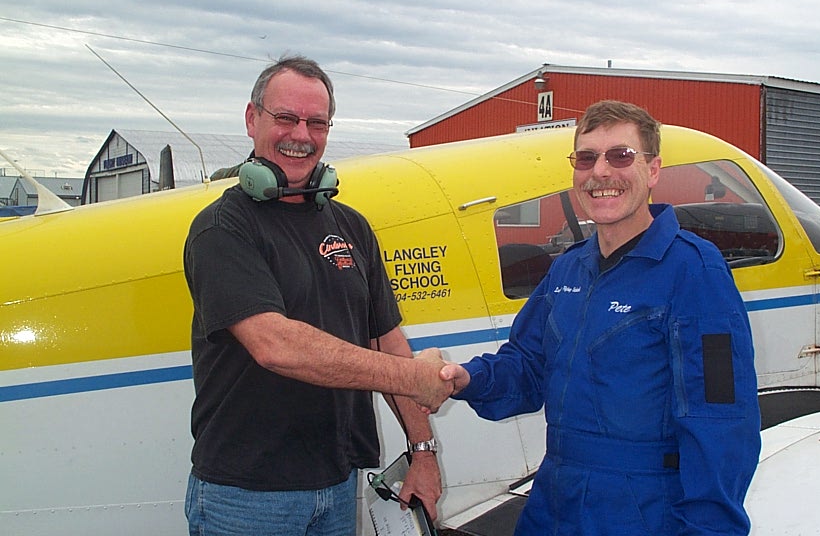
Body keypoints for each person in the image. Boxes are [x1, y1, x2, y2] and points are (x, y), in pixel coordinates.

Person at [439, 100, 761, 535]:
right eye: (587, 158)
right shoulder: (568, 268)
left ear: (653, 170)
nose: (601, 172)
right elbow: (528, 367)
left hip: (643, 511)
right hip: (554, 501)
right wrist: (464, 378)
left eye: (621, 156)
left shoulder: (694, 271)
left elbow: (721, 420)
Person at [183, 55, 449, 535]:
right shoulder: (222, 229)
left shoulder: (352, 226)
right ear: (252, 119)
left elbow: (385, 339)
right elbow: (275, 344)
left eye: (316, 122)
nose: (301, 135)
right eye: (286, 117)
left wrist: (423, 452)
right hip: (248, 497)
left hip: (338, 482)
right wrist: (414, 376)